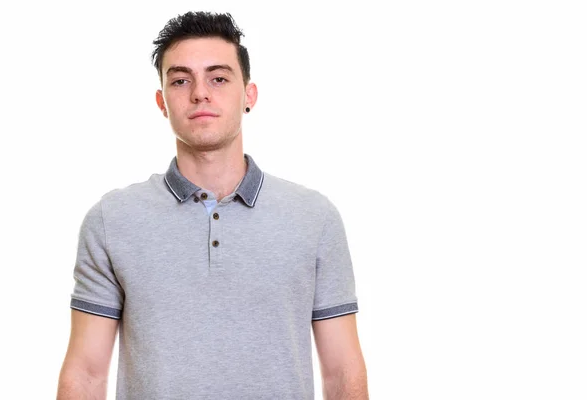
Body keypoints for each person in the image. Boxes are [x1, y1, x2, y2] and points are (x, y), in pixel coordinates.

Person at [57, 11, 368, 400]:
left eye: (218, 78)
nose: (200, 92)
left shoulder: (314, 218)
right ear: (162, 101)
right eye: (181, 79)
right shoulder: (111, 220)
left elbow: (342, 373)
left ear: (249, 95)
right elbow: (86, 374)